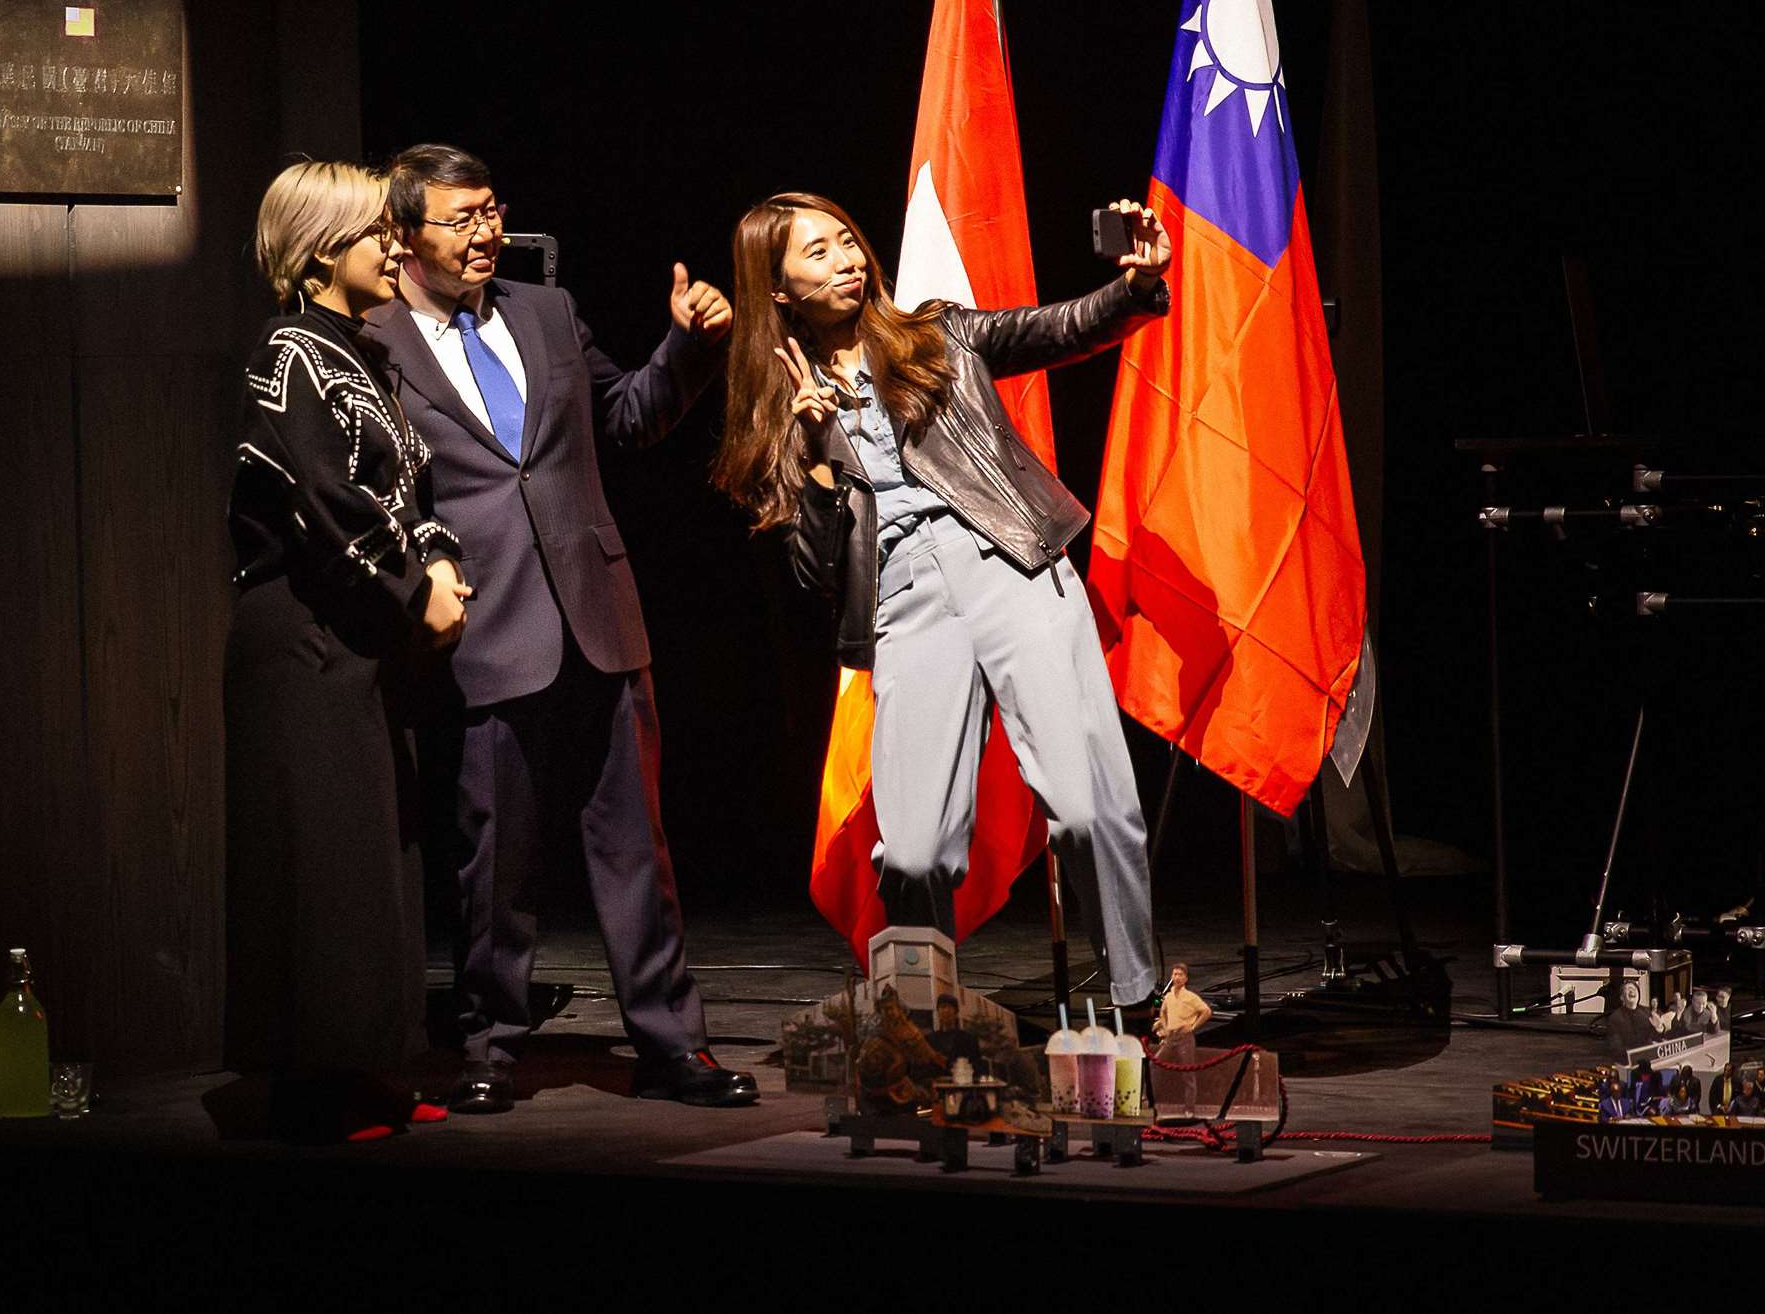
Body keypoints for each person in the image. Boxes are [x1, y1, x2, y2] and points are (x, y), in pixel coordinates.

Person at [363, 143, 756, 1112]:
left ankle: (672, 1043)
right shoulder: (373, 340)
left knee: (636, 847)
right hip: (484, 625)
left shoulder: (546, 311)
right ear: (404, 235)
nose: (485, 232)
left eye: (492, 210)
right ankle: (491, 1041)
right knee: (493, 855)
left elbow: (628, 419)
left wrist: (687, 345)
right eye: (459, 218)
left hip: (596, 612)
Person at [712, 191, 1173, 1010]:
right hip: (903, 598)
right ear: (776, 287)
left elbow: (1059, 328)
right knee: (917, 853)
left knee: (1086, 808)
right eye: (817, 252)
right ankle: (922, 1020)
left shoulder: (937, 336)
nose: (847, 259)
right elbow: (815, 575)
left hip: (1008, 563)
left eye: (848, 240)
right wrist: (817, 453)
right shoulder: (776, 405)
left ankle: (1140, 1001)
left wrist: (1133, 288)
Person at [223, 160, 475, 1143]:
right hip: (303, 637)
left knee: (372, 860)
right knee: (315, 864)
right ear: (322, 248)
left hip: (358, 635)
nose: (396, 245)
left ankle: (360, 1063)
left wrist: (442, 564)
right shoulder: (290, 351)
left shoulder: (357, 351)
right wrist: (416, 594)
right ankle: (306, 1087)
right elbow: (322, 503)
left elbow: (414, 487)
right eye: (376, 231)